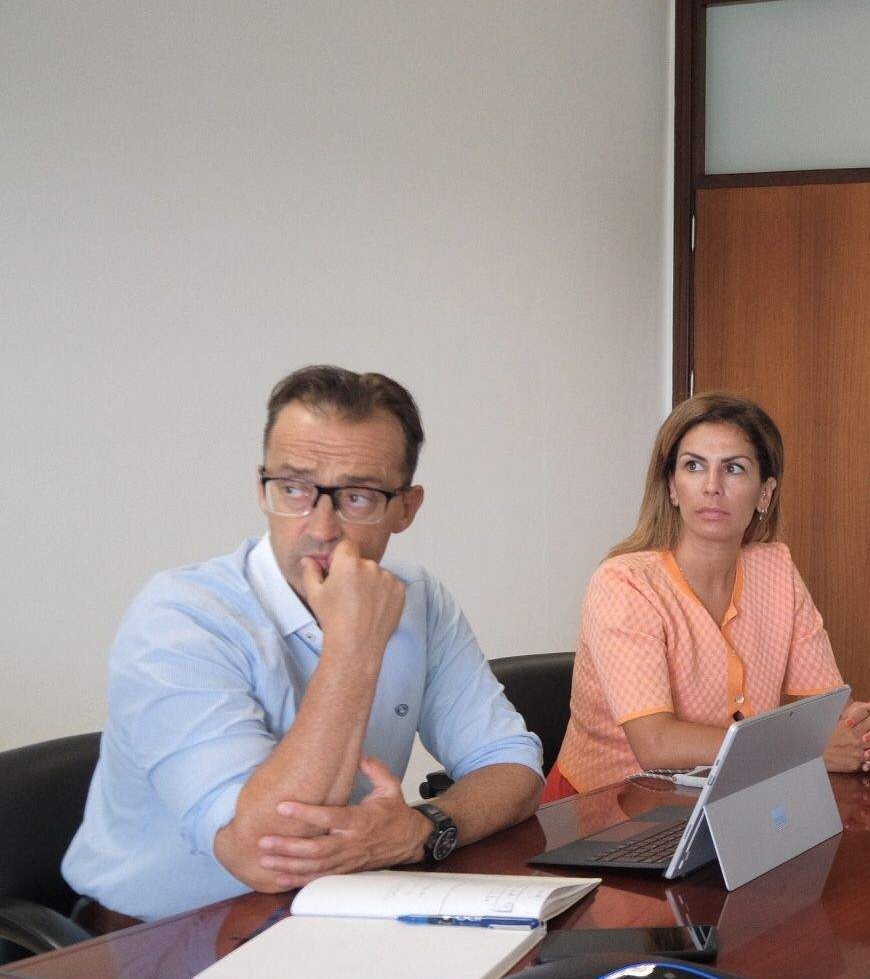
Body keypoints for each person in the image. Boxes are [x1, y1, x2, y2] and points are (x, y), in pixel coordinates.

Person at [63, 366, 544, 923]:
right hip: (159, 942)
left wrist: (423, 828)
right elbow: (270, 853)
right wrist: (354, 647)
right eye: (293, 488)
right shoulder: (179, 617)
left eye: (357, 497)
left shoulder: (418, 598)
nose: (320, 527)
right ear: (261, 490)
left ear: (406, 508)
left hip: (337, 914)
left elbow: (511, 763)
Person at [546, 393, 870, 799]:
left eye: (733, 469)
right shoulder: (625, 583)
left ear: (765, 493)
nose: (712, 487)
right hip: (604, 811)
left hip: (726, 799)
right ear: (672, 488)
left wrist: (857, 733)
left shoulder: (776, 569)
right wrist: (806, 747)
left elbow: (828, 709)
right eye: (694, 466)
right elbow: (655, 745)